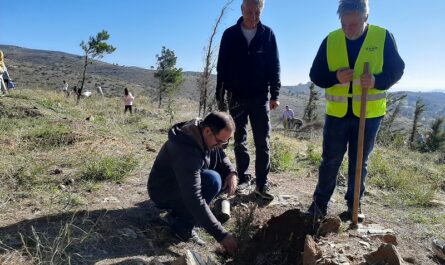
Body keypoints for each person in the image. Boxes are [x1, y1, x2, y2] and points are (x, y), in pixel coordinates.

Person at [307, 0, 405, 221]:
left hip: (369, 115)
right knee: (330, 160)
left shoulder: (383, 37)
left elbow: (397, 69)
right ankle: (319, 205)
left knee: (359, 161)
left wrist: (377, 81)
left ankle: (354, 206)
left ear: (366, 18)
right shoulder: (331, 40)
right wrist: (335, 77)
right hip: (337, 115)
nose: (349, 29)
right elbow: (315, 74)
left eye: (354, 24)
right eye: (345, 24)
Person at [215, 0, 280, 201]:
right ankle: (242, 177)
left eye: (257, 12)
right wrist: (220, 95)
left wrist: (275, 95)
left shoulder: (267, 34)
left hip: (260, 96)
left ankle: (262, 182)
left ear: (261, 11)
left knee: (263, 141)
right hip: (236, 96)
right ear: (242, 9)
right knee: (239, 140)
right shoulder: (230, 34)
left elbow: (274, 66)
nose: (253, 16)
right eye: (249, 11)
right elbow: (222, 67)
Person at [147, 112, 238, 253]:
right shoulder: (185, 150)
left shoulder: (201, 132)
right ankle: (182, 226)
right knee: (212, 181)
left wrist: (231, 172)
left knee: (219, 177)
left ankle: (190, 214)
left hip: (180, 182)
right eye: (220, 142)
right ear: (208, 131)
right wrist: (221, 235)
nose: (221, 146)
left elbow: (221, 155)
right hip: (163, 192)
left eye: (226, 143)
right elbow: (194, 198)